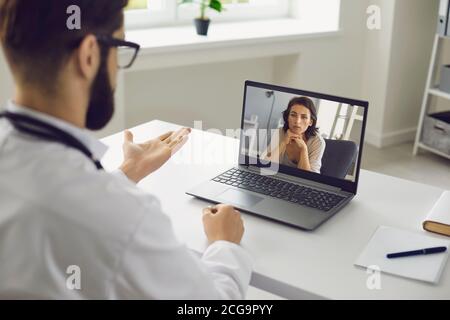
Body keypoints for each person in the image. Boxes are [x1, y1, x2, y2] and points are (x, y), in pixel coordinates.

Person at [0, 0, 252, 299]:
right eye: (118, 48)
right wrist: (225, 244)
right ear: (89, 55)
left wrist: (126, 173)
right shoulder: (126, 219)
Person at [263, 97, 325, 173]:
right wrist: (283, 143)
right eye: (293, 115)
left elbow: (309, 179)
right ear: (287, 117)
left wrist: (303, 149)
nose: (297, 121)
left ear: (310, 122)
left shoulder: (317, 142)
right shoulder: (280, 132)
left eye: (304, 117)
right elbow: (265, 165)